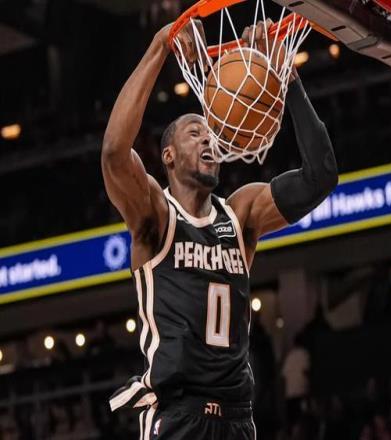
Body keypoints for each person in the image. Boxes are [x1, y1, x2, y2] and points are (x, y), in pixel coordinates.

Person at [102, 17, 338, 440]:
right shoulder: (156, 215)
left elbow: (320, 176)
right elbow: (114, 153)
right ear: (169, 156)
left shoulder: (241, 214)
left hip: (237, 418)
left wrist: (288, 78)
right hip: (177, 415)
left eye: (211, 134)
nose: (208, 140)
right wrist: (160, 44)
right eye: (195, 133)